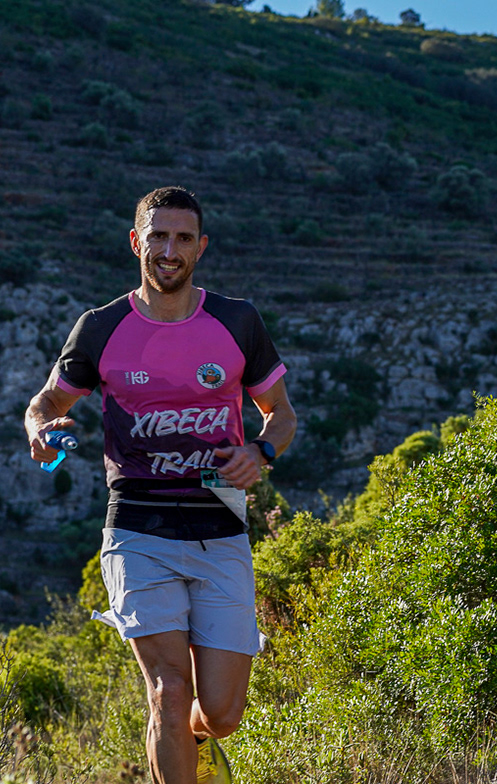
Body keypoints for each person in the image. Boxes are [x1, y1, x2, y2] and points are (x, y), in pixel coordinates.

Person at [24, 186, 296, 783]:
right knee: (168, 693)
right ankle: (174, 738)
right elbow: (46, 402)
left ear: (201, 247)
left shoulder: (237, 321)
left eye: (182, 238)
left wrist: (261, 450)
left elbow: (281, 412)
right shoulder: (100, 328)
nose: (169, 250)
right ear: (135, 242)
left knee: (221, 713)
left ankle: (192, 737)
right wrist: (41, 429)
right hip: (137, 527)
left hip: (220, 521)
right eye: (158, 236)